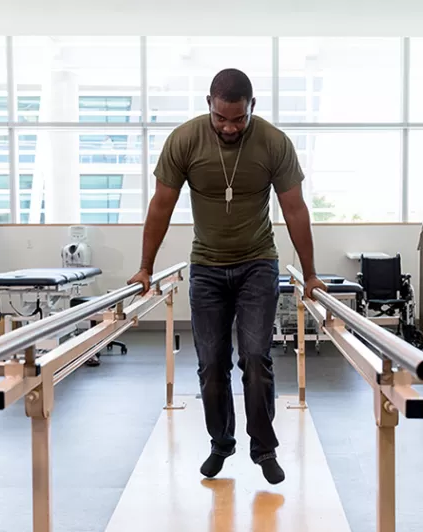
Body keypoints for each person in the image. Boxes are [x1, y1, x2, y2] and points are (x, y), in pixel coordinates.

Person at [128, 68, 326, 485]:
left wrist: (310, 275)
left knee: (255, 358)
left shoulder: (273, 143)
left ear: (252, 107)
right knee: (210, 364)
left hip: (258, 263)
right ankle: (221, 444)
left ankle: (264, 448)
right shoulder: (185, 140)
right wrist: (145, 267)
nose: (230, 127)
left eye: (238, 118)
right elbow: (161, 205)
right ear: (209, 105)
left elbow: (294, 209)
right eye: (221, 118)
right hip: (207, 267)